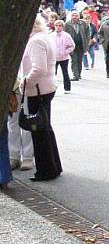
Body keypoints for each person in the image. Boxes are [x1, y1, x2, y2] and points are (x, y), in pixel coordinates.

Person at [20, 16, 62, 181]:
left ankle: (46, 170)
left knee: (39, 132)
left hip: (38, 90)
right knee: (45, 129)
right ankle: (53, 166)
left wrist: (25, 83)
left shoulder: (35, 41)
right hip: (45, 88)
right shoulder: (45, 37)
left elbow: (38, 68)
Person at [63, 11, 90, 81]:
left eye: (76, 15)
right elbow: (64, 34)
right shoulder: (67, 24)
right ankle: (75, 75)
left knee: (79, 60)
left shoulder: (83, 23)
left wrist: (87, 41)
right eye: (73, 15)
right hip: (72, 45)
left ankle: (79, 74)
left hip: (81, 45)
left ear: (79, 16)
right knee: (74, 60)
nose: (74, 17)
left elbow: (88, 33)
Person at [52, 19, 75, 93]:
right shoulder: (51, 35)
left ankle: (67, 88)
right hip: (54, 58)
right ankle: (52, 88)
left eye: (60, 26)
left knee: (65, 73)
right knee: (52, 73)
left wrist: (66, 52)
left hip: (64, 58)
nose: (58, 27)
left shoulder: (66, 35)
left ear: (62, 27)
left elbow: (72, 46)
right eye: (56, 25)